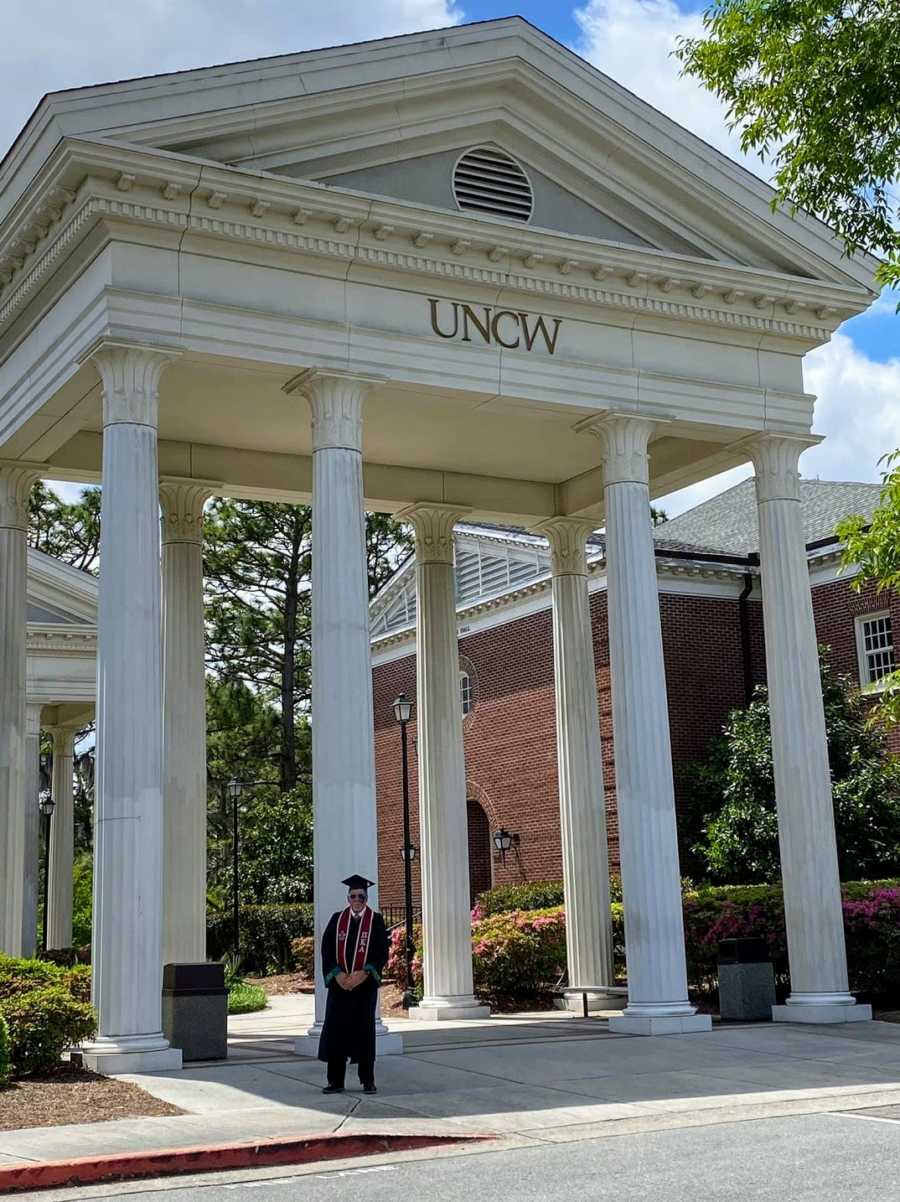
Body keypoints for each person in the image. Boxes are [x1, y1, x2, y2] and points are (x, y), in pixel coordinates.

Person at [318, 874, 389, 1095]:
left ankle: (367, 1080)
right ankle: (335, 1081)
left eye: (361, 896)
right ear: (348, 898)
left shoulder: (375, 920)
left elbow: (381, 953)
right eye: (353, 896)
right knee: (336, 1031)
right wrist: (338, 975)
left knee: (364, 1032)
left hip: (364, 988)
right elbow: (326, 951)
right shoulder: (337, 919)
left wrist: (364, 973)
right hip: (340, 987)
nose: (357, 899)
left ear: (366, 898)